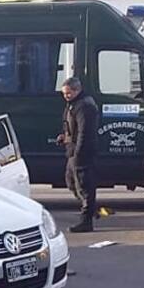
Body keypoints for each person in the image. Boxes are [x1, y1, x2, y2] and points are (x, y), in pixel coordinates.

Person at [56, 77, 99, 232]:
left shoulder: (84, 106)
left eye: (68, 93)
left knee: (84, 185)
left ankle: (86, 221)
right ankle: (91, 208)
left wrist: (79, 152)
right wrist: (64, 137)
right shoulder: (72, 105)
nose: (65, 96)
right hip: (72, 150)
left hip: (81, 152)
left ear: (77, 90)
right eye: (64, 93)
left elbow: (84, 132)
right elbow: (71, 127)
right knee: (70, 181)